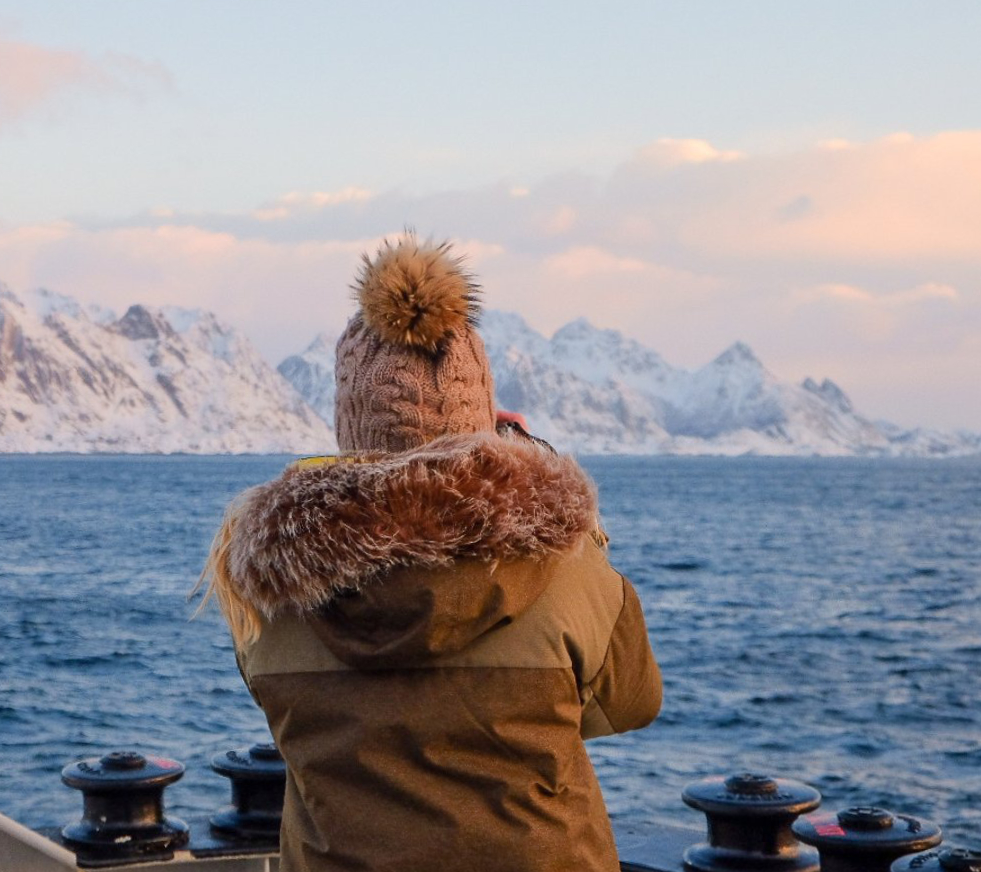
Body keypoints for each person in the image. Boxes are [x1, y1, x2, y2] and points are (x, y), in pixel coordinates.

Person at [203, 234, 661, 872]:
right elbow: (632, 700)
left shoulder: (267, 579)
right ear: (485, 428)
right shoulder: (563, 564)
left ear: (350, 427)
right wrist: (568, 517)